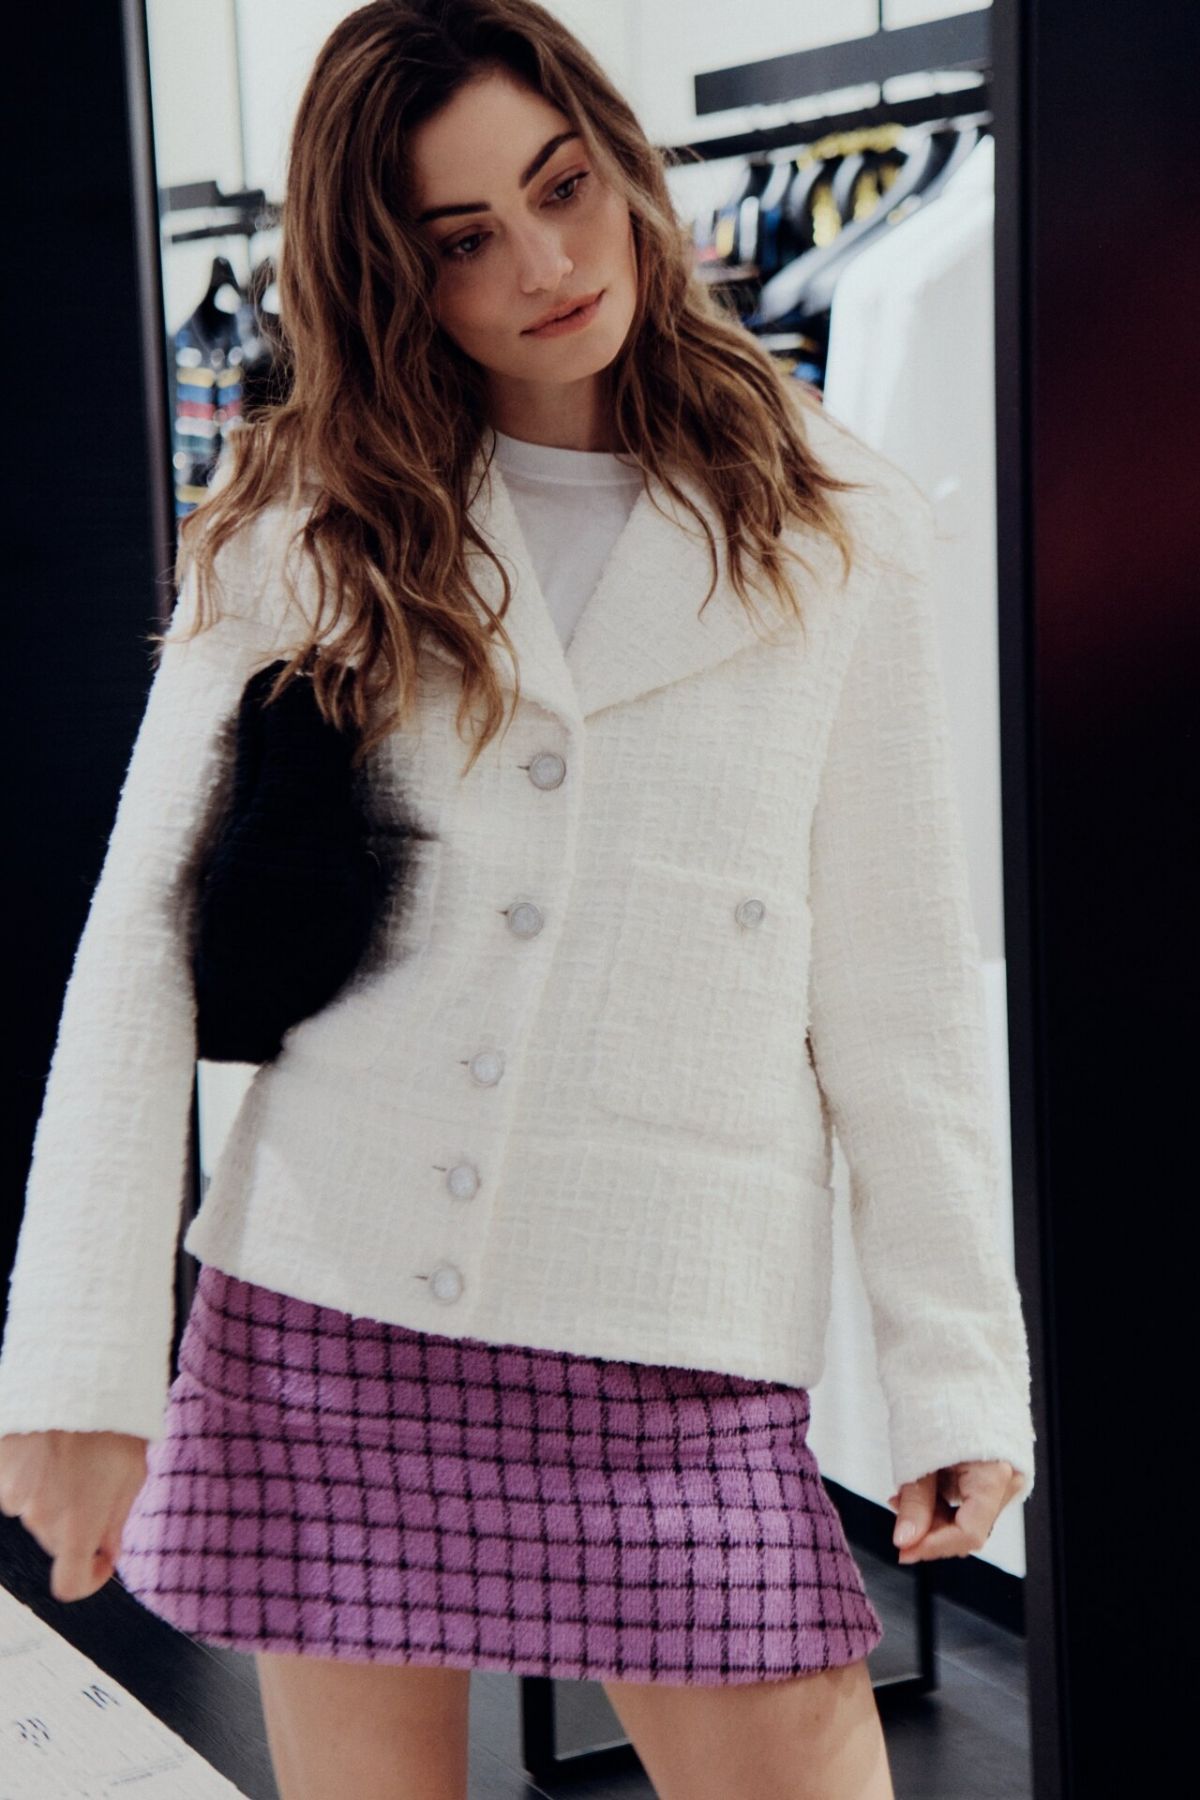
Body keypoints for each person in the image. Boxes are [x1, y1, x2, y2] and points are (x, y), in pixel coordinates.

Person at [0, 4, 1036, 1797]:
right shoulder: (302, 525)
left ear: (621, 163)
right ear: (386, 275)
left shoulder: (836, 523)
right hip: (329, 1302)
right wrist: (80, 1378)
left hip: (677, 1320)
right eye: (462, 237)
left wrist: (951, 1371)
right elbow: (137, 958)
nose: (547, 266)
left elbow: (900, 993)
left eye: (562, 189)